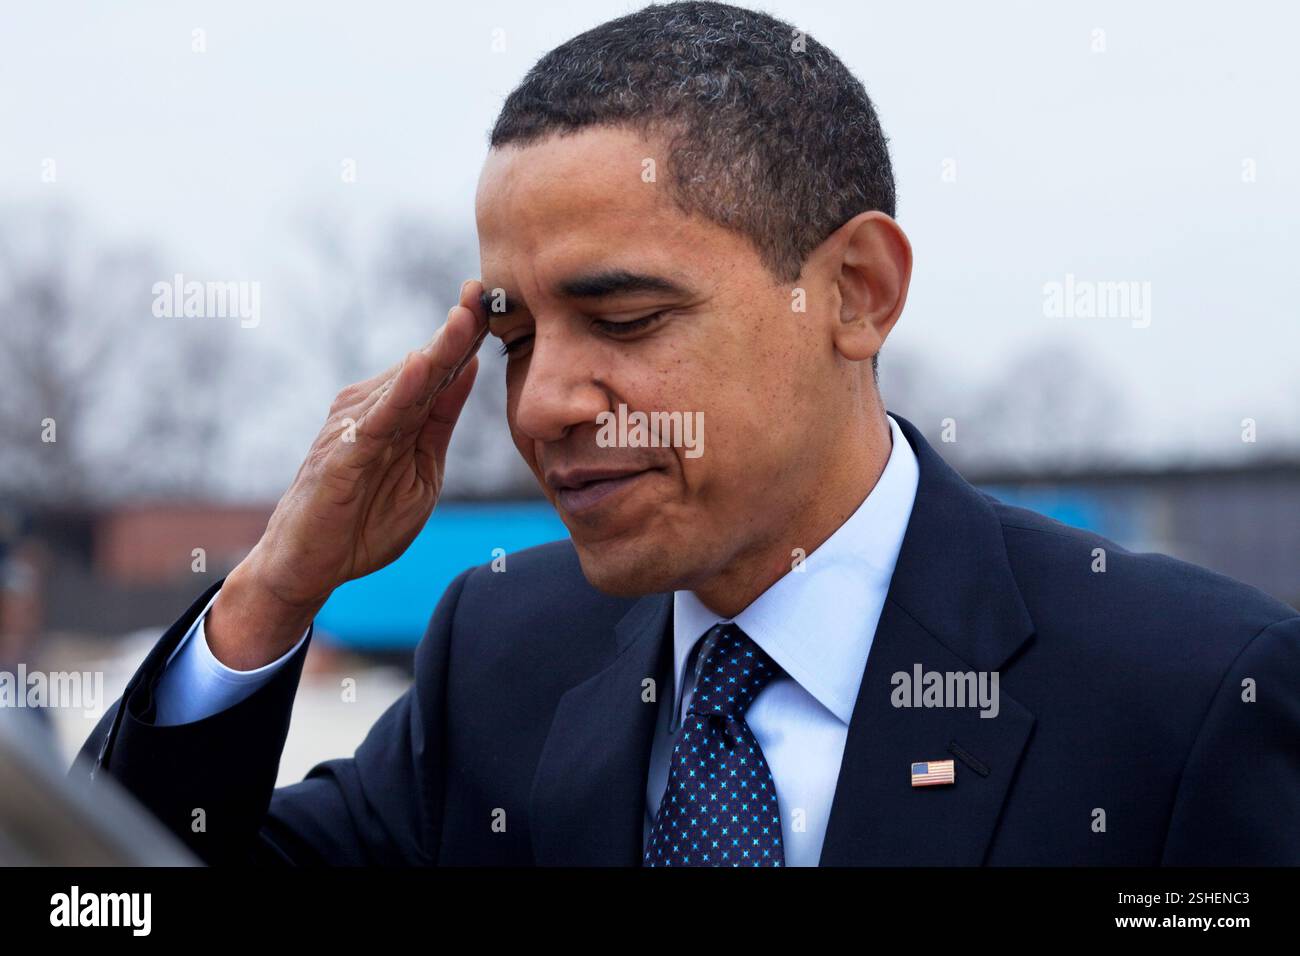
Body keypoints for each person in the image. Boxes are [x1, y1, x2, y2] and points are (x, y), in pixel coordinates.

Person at [75, 1, 1299, 866]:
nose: (544, 401)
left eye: (623, 315)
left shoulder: (1188, 697)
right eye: (512, 338)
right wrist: (272, 595)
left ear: (856, 291)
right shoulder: (504, 657)